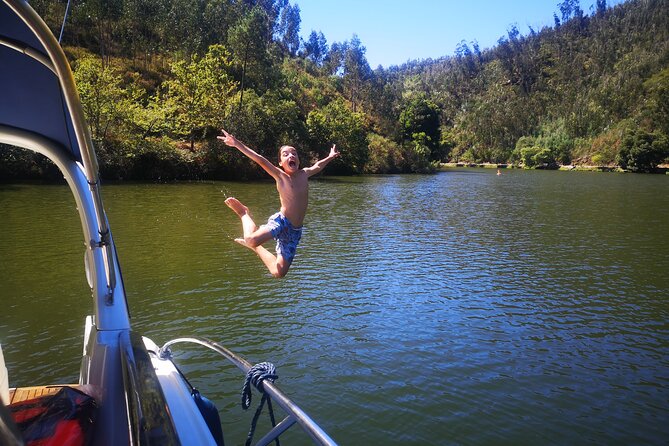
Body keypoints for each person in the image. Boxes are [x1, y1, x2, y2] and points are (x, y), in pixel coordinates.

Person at [217, 129, 340, 278]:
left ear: (299, 161)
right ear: (281, 163)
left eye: (294, 153)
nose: (291, 156)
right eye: (286, 154)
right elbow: (259, 159)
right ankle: (243, 212)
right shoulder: (280, 176)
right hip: (281, 222)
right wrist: (237, 144)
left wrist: (330, 157)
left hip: (295, 232)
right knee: (250, 240)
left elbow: (318, 166)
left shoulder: (304, 174)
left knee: (279, 272)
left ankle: (256, 248)